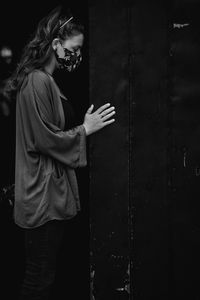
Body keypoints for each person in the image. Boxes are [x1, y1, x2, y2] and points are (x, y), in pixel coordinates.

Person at [4, 6, 116, 300]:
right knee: (37, 280)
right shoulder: (37, 81)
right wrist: (85, 129)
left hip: (48, 195)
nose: (77, 55)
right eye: (74, 48)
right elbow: (44, 138)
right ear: (55, 44)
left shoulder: (46, 80)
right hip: (42, 199)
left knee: (43, 276)